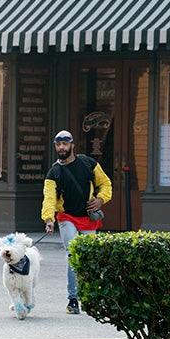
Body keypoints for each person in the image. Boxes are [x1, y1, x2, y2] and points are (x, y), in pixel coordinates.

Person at [41, 130, 112, 314]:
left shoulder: (88, 163)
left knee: (90, 258)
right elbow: (48, 198)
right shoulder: (53, 172)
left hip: (87, 218)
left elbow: (105, 183)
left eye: (65, 143)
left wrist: (101, 199)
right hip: (66, 218)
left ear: (72, 145)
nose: (61, 147)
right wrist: (48, 219)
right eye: (58, 144)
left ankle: (92, 298)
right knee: (73, 255)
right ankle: (73, 299)